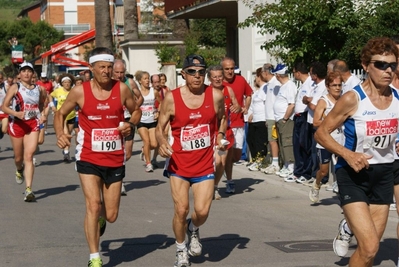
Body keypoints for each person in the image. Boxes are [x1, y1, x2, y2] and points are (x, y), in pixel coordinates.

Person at [315, 37, 399, 266]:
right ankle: (348, 225)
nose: (388, 70)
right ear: (365, 65)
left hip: (384, 174)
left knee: (368, 251)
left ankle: (348, 227)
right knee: (371, 246)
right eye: (381, 65)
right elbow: (321, 133)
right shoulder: (353, 98)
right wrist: (348, 154)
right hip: (353, 174)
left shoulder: (398, 97)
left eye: (392, 65)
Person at [54, 47, 141, 267]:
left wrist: (130, 124)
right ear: (91, 68)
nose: (106, 71)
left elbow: (136, 110)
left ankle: (101, 217)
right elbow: (60, 113)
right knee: (92, 204)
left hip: (114, 158)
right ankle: (94, 257)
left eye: (110, 67)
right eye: (102, 67)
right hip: (88, 156)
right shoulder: (80, 92)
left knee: (111, 215)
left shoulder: (121, 89)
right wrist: (60, 134)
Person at [155, 55, 227, 267]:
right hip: (179, 164)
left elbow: (222, 118)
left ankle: (193, 229)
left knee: (202, 211)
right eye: (192, 72)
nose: (197, 76)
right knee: (181, 209)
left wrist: (220, 135)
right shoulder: (171, 98)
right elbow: (160, 128)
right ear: (183, 74)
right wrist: (160, 142)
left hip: (204, 164)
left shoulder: (215, 95)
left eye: (201, 72)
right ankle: (180, 250)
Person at [1, 62, 47, 202]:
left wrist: (42, 114)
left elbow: (42, 104)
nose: (26, 73)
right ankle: (19, 169)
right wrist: (16, 113)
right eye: (24, 71)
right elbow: (4, 106)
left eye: (29, 71)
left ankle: (28, 189)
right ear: (19, 74)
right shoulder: (16, 87)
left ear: (33, 74)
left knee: (29, 155)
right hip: (17, 124)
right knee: (19, 158)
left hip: (32, 124)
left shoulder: (39, 89)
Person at [206, 65, 240, 200]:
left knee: (222, 161)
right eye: (214, 77)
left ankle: (214, 186)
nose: (218, 79)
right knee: (213, 161)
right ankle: (206, 184)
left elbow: (237, 106)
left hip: (224, 131)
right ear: (209, 78)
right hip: (209, 132)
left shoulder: (228, 89)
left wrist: (237, 107)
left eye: (220, 76)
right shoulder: (206, 92)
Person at [309, 71, 343, 202]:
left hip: (340, 139)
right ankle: (316, 185)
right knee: (323, 172)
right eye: (334, 85)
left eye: (339, 85)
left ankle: (344, 197)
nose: (337, 88)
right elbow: (316, 121)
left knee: (341, 170)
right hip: (324, 141)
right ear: (328, 86)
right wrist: (331, 122)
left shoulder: (343, 99)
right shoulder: (324, 101)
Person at [221, 57, 252, 193]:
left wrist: (245, 107)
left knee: (237, 156)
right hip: (224, 126)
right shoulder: (218, 84)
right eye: (227, 69)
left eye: (232, 68)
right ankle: (229, 180)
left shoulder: (241, 80)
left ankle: (223, 169)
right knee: (227, 154)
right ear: (222, 70)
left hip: (238, 123)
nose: (230, 71)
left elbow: (249, 94)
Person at [112, 59, 143, 195]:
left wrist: (135, 108)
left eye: (122, 72)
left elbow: (140, 96)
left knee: (127, 153)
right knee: (115, 150)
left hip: (128, 120)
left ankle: (117, 173)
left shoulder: (129, 82)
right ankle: (119, 180)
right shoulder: (108, 84)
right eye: (117, 72)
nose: (119, 75)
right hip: (114, 121)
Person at [271, 64, 297, 181]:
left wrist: (285, 118)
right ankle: (286, 165)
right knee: (282, 143)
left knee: (287, 142)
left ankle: (291, 167)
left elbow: (291, 104)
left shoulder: (290, 86)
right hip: (280, 120)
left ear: (278, 75)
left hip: (286, 120)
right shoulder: (283, 86)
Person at [291, 62, 313, 183]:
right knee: (297, 145)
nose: (294, 75)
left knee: (304, 145)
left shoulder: (310, 83)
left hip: (305, 117)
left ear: (298, 73)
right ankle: (298, 171)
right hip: (298, 116)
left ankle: (306, 172)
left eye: (294, 72)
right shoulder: (302, 84)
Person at [135, 70, 159, 172]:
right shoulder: (137, 93)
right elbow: (132, 106)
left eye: (148, 78)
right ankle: (149, 164)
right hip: (141, 121)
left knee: (154, 144)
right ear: (140, 81)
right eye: (145, 79)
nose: (147, 80)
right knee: (147, 142)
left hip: (152, 120)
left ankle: (144, 150)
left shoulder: (154, 91)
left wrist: (158, 111)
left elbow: (161, 103)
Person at [49, 73, 76, 162]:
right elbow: (50, 96)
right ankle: (66, 152)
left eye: (69, 82)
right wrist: (52, 105)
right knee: (65, 133)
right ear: (62, 83)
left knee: (68, 135)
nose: (67, 84)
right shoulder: (58, 91)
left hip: (72, 116)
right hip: (62, 117)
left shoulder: (74, 91)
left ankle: (66, 151)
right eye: (65, 82)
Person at [261, 63, 282, 174]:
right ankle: (274, 162)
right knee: (271, 140)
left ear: (266, 72)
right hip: (269, 117)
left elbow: (276, 102)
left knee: (273, 140)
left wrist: (273, 118)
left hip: (273, 117)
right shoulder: (269, 84)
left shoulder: (275, 83)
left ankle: (275, 164)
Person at [247, 67, 267, 171]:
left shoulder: (265, 89)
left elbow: (266, 105)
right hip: (255, 119)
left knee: (260, 142)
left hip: (262, 119)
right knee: (251, 140)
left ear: (260, 77)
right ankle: (255, 159)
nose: (256, 78)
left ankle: (261, 161)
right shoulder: (258, 90)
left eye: (256, 76)